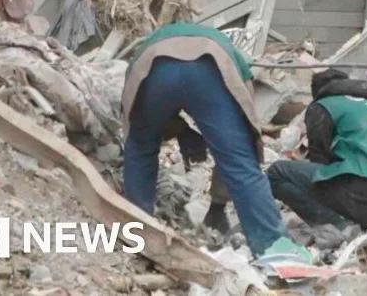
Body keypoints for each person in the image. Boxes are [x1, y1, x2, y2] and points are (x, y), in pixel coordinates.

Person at [121, 22, 310, 261]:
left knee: (139, 150)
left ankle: (138, 236)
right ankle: (276, 251)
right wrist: (219, 203)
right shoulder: (232, 54)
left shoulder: (148, 44)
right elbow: (245, 129)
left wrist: (162, 132)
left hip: (153, 67)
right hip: (211, 67)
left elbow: (131, 116)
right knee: (240, 163)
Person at [266, 69, 367, 230]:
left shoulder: (324, 104)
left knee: (277, 172)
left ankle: (340, 227)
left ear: (317, 93)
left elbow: (320, 159)